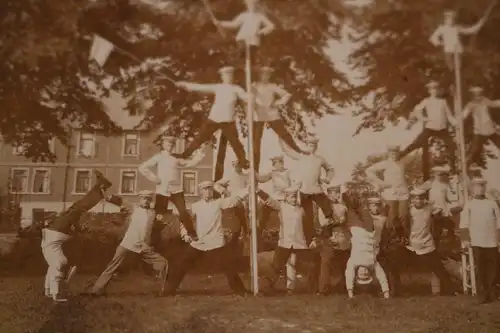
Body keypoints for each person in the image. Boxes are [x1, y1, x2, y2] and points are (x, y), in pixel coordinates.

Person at [161, 181, 250, 296]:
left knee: (228, 266)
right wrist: (185, 234)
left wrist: (248, 189)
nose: (208, 192)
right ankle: (168, 291)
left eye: (210, 189)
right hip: (199, 242)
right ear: (200, 192)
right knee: (181, 263)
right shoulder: (195, 206)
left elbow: (234, 200)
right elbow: (185, 221)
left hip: (216, 242)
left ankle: (241, 291)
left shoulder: (218, 203)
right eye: (205, 189)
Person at [42, 170, 112, 302]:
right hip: (56, 232)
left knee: (77, 208)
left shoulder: (56, 251)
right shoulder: (59, 254)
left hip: (56, 232)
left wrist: (78, 229)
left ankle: (99, 187)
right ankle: (56, 294)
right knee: (59, 264)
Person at [86, 191, 168, 296]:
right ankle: (96, 290)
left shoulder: (152, 213)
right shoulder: (134, 208)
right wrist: (109, 196)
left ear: (151, 201)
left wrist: (160, 222)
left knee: (163, 263)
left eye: (148, 199)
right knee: (112, 266)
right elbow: (121, 201)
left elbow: (156, 226)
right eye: (144, 198)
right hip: (127, 243)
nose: (146, 201)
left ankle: (164, 290)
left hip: (143, 246)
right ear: (140, 199)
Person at [172, 66, 250, 170]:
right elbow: (199, 87)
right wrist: (184, 85)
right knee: (200, 138)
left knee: (235, 142)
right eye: (226, 75)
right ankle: (185, 154)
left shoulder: (236, 89)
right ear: (222, 77)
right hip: (214, 119)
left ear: (232, 77)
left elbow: (245, 97)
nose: (228, 77)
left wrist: (250, 97)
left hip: (228, 121)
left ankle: (243, 161)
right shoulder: (218, 87)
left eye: (230, 75)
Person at [389, 188, 458, 297]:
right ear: (412, 199)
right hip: (411, 245)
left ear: (424, 199)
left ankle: (451, 291)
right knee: (394, 264)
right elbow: (397, 219)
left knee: (439, 268)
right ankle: (395, 291)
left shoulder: (429, 208)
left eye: (421, 198)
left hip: (427, 243)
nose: (419, 201)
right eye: (416, 198)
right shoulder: (408, 210)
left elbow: (441, 211)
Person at [138, 134, 204, 248]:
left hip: (176, 189)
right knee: (159, 216)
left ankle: (193, 235)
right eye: (168, 144)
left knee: (183, 212)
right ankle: (154, 241)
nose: (170, 146)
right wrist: (154, 178)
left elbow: (189, 163)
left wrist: (199, 155)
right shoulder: (158, 157)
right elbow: (142, 167)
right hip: (162, 190)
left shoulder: (176, 158)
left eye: (172, 144)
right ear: (163, 145)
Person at [257, 187, 316, 294]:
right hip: (285, 242)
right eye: (291, 197)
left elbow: (308, 226)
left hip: (300, 243)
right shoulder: (281, 207)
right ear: (286, 197)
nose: (294, 200)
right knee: (277, 266)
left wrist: (312, 239)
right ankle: (266, 288)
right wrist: (258, 191)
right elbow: (269, 200)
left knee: (305, 264)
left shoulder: (301, 209)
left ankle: (310, 288)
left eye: (295, 197)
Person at [279, 136, 335, 244]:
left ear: (316, 147)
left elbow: (330, 169)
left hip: (317, 189)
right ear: (306, 145)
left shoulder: (320, 159)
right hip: (304, 191)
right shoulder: (301, 156)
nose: (312, 147)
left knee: (328, 211)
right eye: (310, 145)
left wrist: (327, 179)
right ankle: (310, 239)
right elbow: (286, 150)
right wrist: (281, 137)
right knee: (307, 216)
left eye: (314, 145)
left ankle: (328, 235)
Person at [251, 66, 303, 171]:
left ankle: (299, 152)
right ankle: (255, 169)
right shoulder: (254, 86)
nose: (265, 76)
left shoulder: (272, 86)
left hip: (271, 114)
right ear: (260, 75)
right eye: (263, 74)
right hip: (258, 115)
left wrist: (278, 103)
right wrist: (254, 105)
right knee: (256, 143)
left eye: (267, 74)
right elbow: (248, 97)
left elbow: (287, 95)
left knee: (284, 134)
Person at [460, 177, 500, 304]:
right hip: (477, 241)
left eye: (482, 186)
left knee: (494, 267)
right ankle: (483, 294)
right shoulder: (469, 204)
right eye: (477, 186)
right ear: (473, 188)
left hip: (492, 240)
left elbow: (499, 222)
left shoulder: (492, 203)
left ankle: (493, 293)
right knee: (481, 268)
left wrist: (498, 238)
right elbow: (464, 223)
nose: (480, 188)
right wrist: (466, 239)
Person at [401, 81, 456, 169]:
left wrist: (455, 123)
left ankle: (453, 168)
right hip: (430, 128)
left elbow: (449, 115)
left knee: (451, 145)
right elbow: (417, 109)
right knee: (417, 142)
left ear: (438, 90)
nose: (434, 91)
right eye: (432, 89)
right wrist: (423, 118)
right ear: (429, 91)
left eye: (436, 89)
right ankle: (400, 155)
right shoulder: (427, 101)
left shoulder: (443, 101)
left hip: (442, 129)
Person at [312, 183, 351, 296]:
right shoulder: (323, 207)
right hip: (328, 237)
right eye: (335, 193)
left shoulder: (343, 207)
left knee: (344, 262)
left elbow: (347, 222)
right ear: (328, 195)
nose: (337, 195)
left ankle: (345, 287)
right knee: (326, 262)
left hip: (342, 237)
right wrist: (338, 221)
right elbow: (323, 223)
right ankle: (323, 289)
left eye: (338, 192)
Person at [366, 145, 410, 241]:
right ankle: (391, 240)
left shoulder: (402, 162)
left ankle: (404, 238)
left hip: (403, 193)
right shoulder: (385, 163)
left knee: (404, 216)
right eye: (392, 153)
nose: (394, 154)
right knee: (392, 217)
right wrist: (381, 183)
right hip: (390, 193)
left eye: (396, 152)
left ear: (398, 153)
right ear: (389, 153)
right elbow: (369, 171)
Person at [419, 165, 463, 247]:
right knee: (433, 232)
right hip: (433, 211)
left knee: (444, 230)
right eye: (438, 174)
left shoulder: (446, 185)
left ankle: (441, 249)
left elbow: (451, 198)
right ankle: (431, 250)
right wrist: (425, 202)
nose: (440, 176)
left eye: (442, 174)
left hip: (443, 211)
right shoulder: (430, 183)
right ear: (434, 174)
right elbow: (419, 191)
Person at [345, 225, 390, 299]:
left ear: (356, 274)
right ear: (370, 274)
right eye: (366, 276)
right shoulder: (372, 263)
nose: (364, 273)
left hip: (357, 230)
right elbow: (382, 277)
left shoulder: (352, 262)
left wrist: (350, 293)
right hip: (370, 233)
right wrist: (386, 293)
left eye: (362, 276)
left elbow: (349, 276)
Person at [462, 86, 500, 169]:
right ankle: (465, 167)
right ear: (472, 95)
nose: (478, 96)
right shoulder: (471, 104)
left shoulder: (484, 100)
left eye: (479, 93)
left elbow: (493, 104)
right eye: (475, 94)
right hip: (479, 131)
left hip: (489, 129)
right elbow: (464, 114)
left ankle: (470, 164)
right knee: (474, 150)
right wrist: (458, 118)